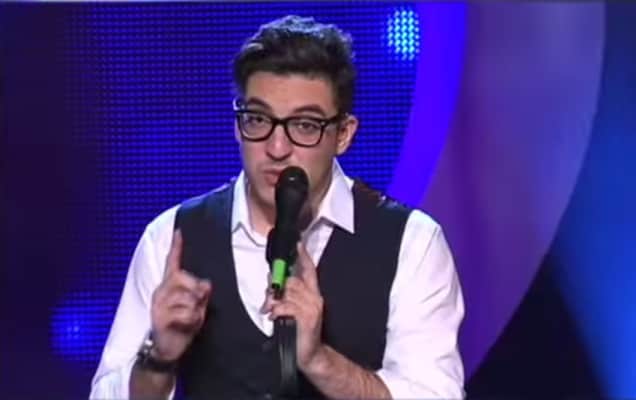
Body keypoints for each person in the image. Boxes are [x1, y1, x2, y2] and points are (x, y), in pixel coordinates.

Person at [90, 14, 465, 400]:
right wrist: (158, 360)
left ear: (344, 134)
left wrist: (319, 361)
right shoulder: (171, 237)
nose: (277, 148)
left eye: (305, 125)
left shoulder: (411, 242)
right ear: (237, 125)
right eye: (258, 119)